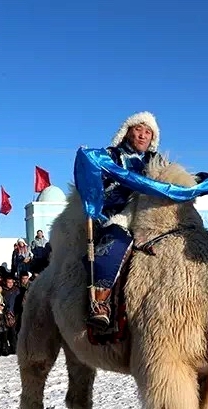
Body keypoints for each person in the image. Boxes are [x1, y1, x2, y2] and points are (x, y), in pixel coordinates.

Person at [85, 111, 163, 335]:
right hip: (117, 215)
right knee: (116, 244)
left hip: (150, 216)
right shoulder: (111, 156)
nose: (142, 135)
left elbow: (173, 180)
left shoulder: (156, 161)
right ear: (128, 131)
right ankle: (100, 301)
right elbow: (99, 186)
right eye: (138, 129)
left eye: (148, 132)